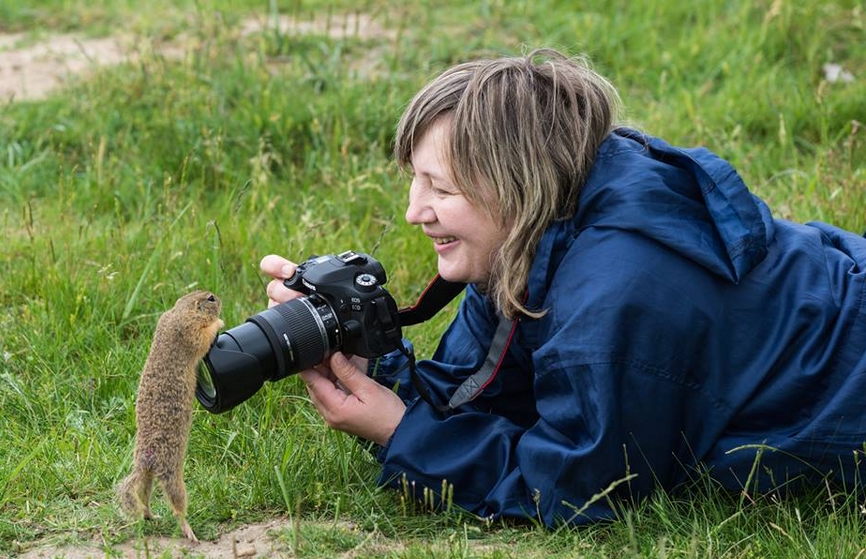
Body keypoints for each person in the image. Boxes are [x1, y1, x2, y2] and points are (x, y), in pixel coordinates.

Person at [261, 48, 866, 527]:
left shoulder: (613, 300)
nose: (415, 212)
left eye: (441, 190)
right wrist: (368, 357)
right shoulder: (533, 234)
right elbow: (476, 396)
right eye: (415, 182)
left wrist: (401, 435)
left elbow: (576, 484)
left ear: (516, 185)